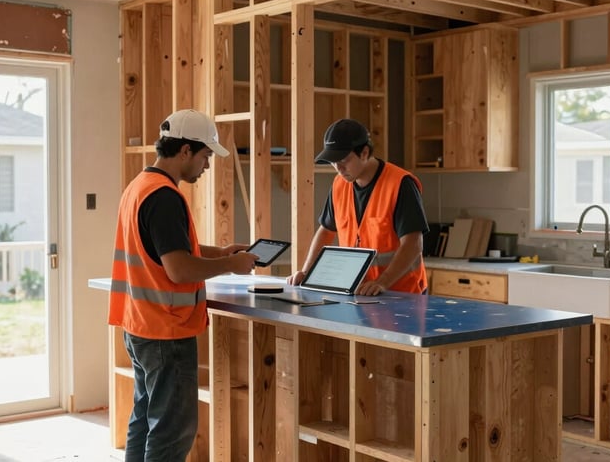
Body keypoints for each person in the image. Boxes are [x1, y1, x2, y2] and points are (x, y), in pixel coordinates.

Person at [108, 109, 259, 461]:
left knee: (145, 420)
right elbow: (178, 269)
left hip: (140, 324)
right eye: (206, 155)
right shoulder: (164, 197)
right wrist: (230, 265)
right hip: (165, 329)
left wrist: (220, 251)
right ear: (186, 151)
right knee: (173, 431)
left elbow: (165, 250)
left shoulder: (140, 187)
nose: (207, 166)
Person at [288, 118, 429, 295]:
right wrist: (307, 272)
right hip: (358, 292)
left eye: (343, 160)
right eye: (333, 162)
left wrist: (381, 283)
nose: (338, 168)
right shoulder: (339, 184)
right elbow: (325, 231)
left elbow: (413, 244)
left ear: (364, 153)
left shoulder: (400, 183)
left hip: (402, 294)